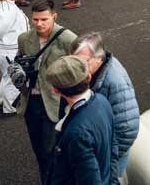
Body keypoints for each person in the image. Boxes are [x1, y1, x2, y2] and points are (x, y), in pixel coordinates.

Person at [11, 0, 77, 184]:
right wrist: (17, 73)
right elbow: (18, 62)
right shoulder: (24, 39)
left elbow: (80, 69)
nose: (39, 24)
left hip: (55, 103)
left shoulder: (68, 39)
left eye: (44, 19)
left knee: (50, 151)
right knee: (39, 151)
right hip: (31, 103)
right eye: (35, 19)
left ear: (54, 16)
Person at [72, 32, 139, 178]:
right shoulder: (95, 70)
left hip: (108, 157)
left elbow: (128, 129)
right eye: (74, 60)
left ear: (99, 59)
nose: (77, 67)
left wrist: (106, 156)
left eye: (83, 61)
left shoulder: (115, 83)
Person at [43, 56, 117, 185]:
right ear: (88, 77)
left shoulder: (76, 133)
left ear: (56, 90)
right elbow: (113, 148)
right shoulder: (102, 101)